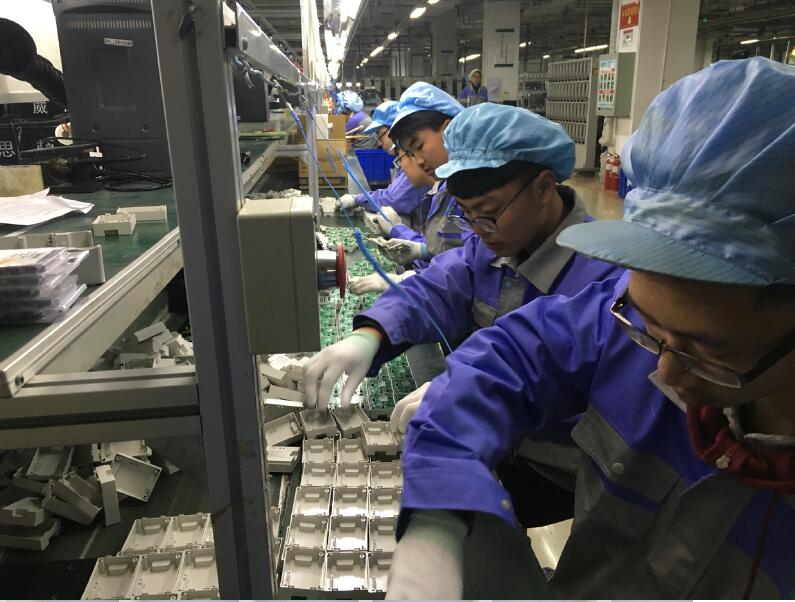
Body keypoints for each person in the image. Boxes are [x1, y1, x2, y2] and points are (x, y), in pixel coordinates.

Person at [385, 57, 795, 599]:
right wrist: (439, 509)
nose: (665, 372)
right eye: (653, 329)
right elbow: (508, 357)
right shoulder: (623, 316)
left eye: (706, 351)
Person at [304, 103, 621, 420]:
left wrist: (485, 393)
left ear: (544, 187)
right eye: (467, 214)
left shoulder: (607, 282)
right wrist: (372, 333)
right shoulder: (492, 246)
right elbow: (437, 288)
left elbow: (597, 405)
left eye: (489, 213)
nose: (478, 230)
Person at [373, 82, 472, 270]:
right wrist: (423, 252)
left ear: (448, 130)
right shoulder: (443, 189)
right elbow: (442, 253)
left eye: (419, 147)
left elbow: (470, 269)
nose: (418, 161)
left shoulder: (473, 190)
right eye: (411, 153)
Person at [338, 100, 432, 217]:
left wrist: (358, 199)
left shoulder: (414, 161)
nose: (379, 143)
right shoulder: (401, 160)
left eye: (380, 135)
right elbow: (392, 192)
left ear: (395, 130)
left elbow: (394, 199)